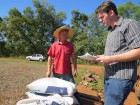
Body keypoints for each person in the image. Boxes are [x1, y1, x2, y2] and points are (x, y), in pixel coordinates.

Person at [95, 1, 140, 105]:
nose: (100, 20)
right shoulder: (111, 31)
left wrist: (110, 59)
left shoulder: (129, 24)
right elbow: (115, 53)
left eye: (102, 17)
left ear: (111, 12)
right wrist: (102, 57)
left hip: (121, 78)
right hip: (109, 77)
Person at [46, 26, 82, 105]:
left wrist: (75, 69)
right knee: (53, 88)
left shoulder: (70, 45)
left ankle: (79, 103)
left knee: (73, 88)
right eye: (62, 33)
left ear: (67, 36)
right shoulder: (54, 45)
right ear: (59, 35)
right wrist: (48, 70)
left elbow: (73, 57)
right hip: (55, 71)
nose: (64, 35)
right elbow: (50, 57)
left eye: (66, 33)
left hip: (67, 72)